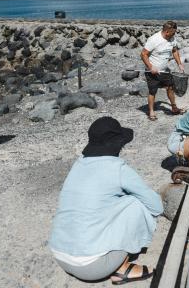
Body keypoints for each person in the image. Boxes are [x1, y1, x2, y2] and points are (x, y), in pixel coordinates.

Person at [49, 117, 163, 285]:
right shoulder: (117, 168)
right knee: (134, 203)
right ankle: (123, 269)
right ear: (117, 143)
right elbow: (156, 206)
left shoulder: (78, 165)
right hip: (92, 267)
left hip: (60, 255)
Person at [141, 21, 185, 121]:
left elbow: (174, 51)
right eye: (173, 33)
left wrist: (179, 64)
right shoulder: (154, 39)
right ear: (166, 32)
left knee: (170, 87)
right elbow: (143, 54)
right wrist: (150, 67)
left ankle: (174, 107)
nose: (174, 35)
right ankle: (151, 112)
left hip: (165, 70)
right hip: (152, 71)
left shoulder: (172, 38)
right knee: (153, 91)